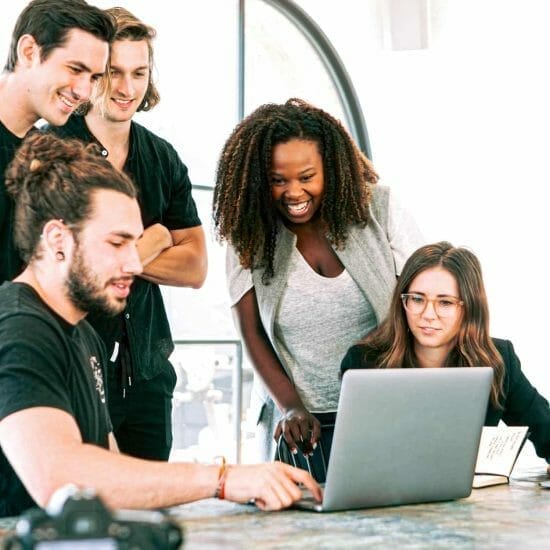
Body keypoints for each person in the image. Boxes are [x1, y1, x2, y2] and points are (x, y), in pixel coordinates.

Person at [0, 132, 321, 518]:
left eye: (135, 244)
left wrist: (237, 484)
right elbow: (62, 477)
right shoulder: (18, 328)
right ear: (57, 240)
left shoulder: (83, 335)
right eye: (117, 244)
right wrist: (221, 479)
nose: (135, 264)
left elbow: (112, 470)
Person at [213, 98, 424, 470]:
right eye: (278, 180)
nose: (293, 193)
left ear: (332, 168)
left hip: (386, 408)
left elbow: (421, 305)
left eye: (307, 177)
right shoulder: (248, 233)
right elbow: (252, 333)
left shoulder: (380, 209)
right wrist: (291, 406)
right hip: (301, 425)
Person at [48, 7, 207, 461]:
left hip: (148, 375)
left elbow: (195, 267)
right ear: (93, 73)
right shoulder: (53, 150)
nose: (126, 88)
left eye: (139, 72)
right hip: (73, 369)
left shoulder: (163, 157)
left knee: (149, 516)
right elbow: (63, 267)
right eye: (113, 72)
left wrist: (116, 253)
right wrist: (156, 238)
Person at [341, 241, 550, 468]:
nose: (428, 314)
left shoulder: (498, 359)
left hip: (468, 498)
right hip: (385, 496)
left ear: (469, 307)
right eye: (418, 299)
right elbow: (355, 459)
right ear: (403, 302)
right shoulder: (363, 363)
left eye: (445, 302)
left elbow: (544, 428)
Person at [0, 0, 115, 284]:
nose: (84, 92)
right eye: (76, 69)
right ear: (29, 52)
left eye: (94, 77)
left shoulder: (46, 158)